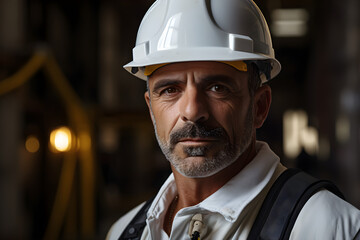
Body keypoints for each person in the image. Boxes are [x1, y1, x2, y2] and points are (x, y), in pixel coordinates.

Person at [107, 0, 360, 239]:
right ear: (152, 109)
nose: (193, 111)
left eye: (217, 87)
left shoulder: (329, 227)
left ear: (260, 106)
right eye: (170, 90)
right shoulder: (125, 232)